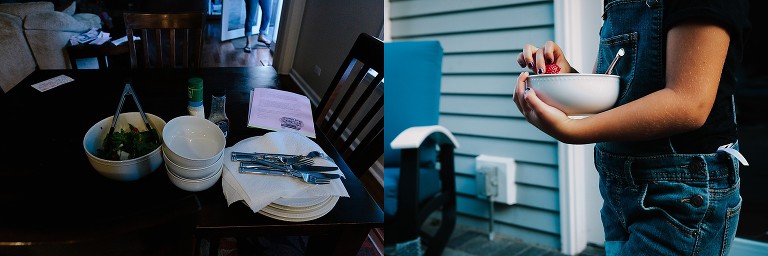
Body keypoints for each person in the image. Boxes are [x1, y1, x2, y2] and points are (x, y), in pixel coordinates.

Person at [512, 1, 750, 255]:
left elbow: (689, 103)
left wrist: (572, 129)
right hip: (617, 187)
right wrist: (565, 75)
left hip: (679, 195)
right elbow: (614, 94)